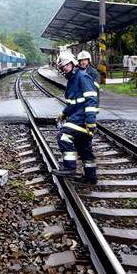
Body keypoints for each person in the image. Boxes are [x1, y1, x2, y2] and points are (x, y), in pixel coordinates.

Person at [52, 52, 99, 184]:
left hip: (82, 119)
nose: (64, 69)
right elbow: (74, 102)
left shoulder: (82, 77)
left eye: (65, 65)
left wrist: (90, 121)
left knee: (63, 136)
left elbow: (91, 100)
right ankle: (91, 177)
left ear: (73, 63)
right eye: (62, 67)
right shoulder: (73, 79)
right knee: (84, 149)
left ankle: (69, 167)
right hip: (78, 117)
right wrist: (64, 113)